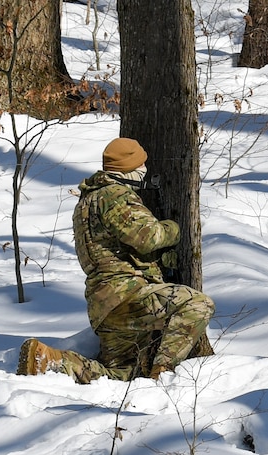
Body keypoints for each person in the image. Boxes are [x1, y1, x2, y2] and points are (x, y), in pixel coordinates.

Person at [15, 137, 214, 384]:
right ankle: (163, 374)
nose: (144, 171)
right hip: (128, 295)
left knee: (120, 376)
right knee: (197, 304)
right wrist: (173, 228)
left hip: (104, 305)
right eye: (141, 165)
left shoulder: (87, 200)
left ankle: (50, 359)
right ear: (130, 169)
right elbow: (148, 238)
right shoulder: (115, 195)